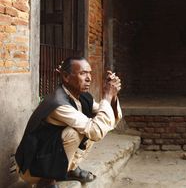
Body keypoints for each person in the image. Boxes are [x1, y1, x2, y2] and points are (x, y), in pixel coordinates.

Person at [15, 56, 122, 188]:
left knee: (94, 123)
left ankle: (70, 168)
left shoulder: (81, 96)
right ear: (66, 77)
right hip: (32, 167)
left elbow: (104, 116)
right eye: (83, 73)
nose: (89, 78)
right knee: (76, 132)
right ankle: (46, 180)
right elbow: (96, 131)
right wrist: (107, 96)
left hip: (48, 155)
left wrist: (113, 94)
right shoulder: (58, 103)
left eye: (89, 73)